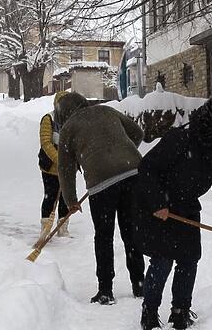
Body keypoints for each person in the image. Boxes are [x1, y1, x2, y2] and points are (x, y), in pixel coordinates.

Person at [136, 95, 212, 330]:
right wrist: (157, 203)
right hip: (158, 207)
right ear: (210, 129)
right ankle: (150, 311)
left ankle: (180, 311)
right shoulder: (179, 140)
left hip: (187, 208)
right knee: (162, 260)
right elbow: (147, 168)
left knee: (189, 259)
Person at [55, 91, 146, 305]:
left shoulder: (68, 129)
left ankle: (105, 291)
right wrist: (124, 153)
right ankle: (140, 285)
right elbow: (137, 132)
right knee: (131, 232)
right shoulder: (107, 110)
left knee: (104, 236)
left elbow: (65, 168)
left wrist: (71, 201)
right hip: (133, 174)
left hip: (101, 184)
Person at [37, 92, 71, 240]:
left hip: (68, 168)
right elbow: (45, 142)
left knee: (66, 198)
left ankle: (62, 228)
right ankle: (45, 227)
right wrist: (59, 159)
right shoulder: (48, 119)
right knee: (50, 196)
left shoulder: (73, 121)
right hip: (50, 167)